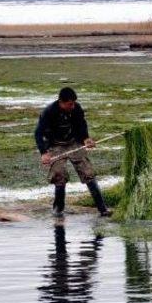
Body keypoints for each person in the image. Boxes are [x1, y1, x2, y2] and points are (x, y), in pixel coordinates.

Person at [34, 87, 112, 217]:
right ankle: (58, 211)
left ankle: (103, 209)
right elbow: (38, 133)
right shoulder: (48, 112)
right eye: (70, 104)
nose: (73, 106)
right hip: (56, 145)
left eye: (74, 103)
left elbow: (81, 124)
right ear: (61, 102)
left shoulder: (77, 109)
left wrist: (86, 138)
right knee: (59, 175)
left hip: (74, 143)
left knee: (88, 174)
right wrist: (44, 153)